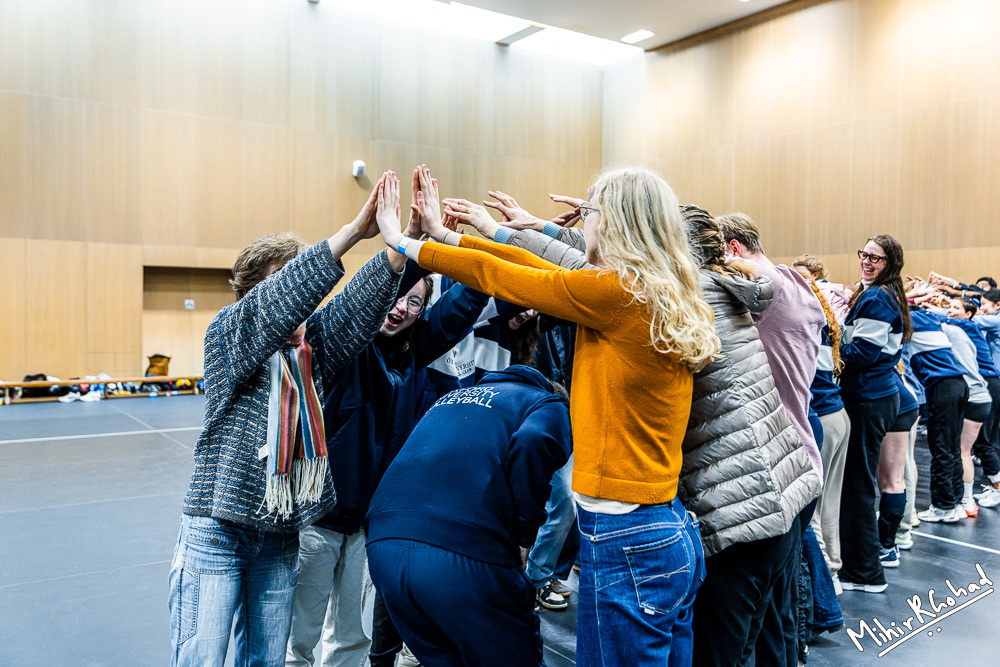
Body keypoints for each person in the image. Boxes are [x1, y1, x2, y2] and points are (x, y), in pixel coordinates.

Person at [379, 164, 720, 665]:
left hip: (624, 535)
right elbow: (531, 268)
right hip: (666, 530)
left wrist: (405, 242)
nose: (583, 222)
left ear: (615, 222)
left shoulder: (619, 293)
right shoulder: (658, 290)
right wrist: (447, 235)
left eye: (589, 212)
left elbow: (507, 277)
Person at [168, 173, 407, 666]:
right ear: (254, 292)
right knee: (202, 658)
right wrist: (347, 234)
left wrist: (397, 245)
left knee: (267, 661)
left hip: (278, 535)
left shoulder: (309, 353)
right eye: (287, 281)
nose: (300, 297)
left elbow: (355, 309)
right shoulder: (229, 335)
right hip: (218, 529)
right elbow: (276, 305)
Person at [286, 172, 493, 667]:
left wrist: (460, 241)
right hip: (317, 516)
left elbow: (466, 302)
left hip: (367, 523)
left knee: (352, 637)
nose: (401, 308)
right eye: (398, 297)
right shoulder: (344, 346)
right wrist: (411, 240)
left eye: (416, 302)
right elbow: (371, 294)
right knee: (299, 637)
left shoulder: (416, 349)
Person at [366, 316, 573, 666]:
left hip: (384, 546)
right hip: (459, 553)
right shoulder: (546, 403)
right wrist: (525, 535)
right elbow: (534, 440)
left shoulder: (455, 397)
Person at [834, 236, 912, 594]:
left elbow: (862, 352)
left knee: (858, 487)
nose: (867, 262)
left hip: (868, 397)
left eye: (875, 258)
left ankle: (864, 572)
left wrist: (831, 336)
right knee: (862, 484)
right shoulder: (881, 293)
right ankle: (864, 566)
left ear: (890, 263)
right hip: (877, 395)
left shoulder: (878, 296)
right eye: (863, 254)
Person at [909, 307, 971, 523]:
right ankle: (955, 502)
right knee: (952, 446)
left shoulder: (910, 318)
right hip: (958, 385)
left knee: (942, 446)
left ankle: (944, 506)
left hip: (942, 386)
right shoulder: (928, 318)